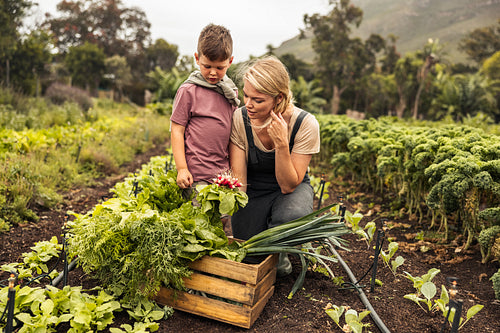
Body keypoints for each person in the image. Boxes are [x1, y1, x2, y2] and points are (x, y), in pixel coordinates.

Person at [229, 56, 320, 276]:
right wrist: (234, 212)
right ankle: (264, 246)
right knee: (250, 253)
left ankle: (282, 254)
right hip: (254, 186)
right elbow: (239, 180)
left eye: (257, 100)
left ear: (278, 97)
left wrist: (281, 143)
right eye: (246, 95)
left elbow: (288, 185)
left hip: (291, 188)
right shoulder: (240, 119)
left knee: (291, 216)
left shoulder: (305, 124)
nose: (248, 104)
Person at [171, 24, 239, 193]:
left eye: (219, 67)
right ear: (197, 58)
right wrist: (182, 169)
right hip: (195, 174)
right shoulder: (189, 90)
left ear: (230, 61)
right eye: (207, 66)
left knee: (225, 218)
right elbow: (177, 131)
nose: (213, 73)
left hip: (223, 174)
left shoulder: (231, 92)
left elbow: (235, 135)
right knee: (200, 216)